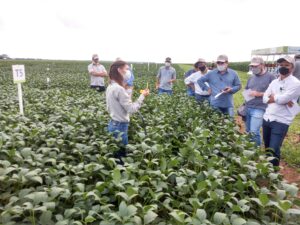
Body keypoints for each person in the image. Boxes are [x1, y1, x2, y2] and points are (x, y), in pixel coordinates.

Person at [106, 60, 149, 162]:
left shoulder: (111, 86)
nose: (128, 72)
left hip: (112, 124)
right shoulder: (119, 89)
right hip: (120, 127)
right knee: (121, 158)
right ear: (119, 70)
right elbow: (131, 109)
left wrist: (128, 90)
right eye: (126, 69)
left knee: (115, 156)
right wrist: (142, 96)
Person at [262, 56, 300, 167]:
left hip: (281, 120)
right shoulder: (274, 82)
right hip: (267, 117)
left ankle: (273, 173)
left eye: (286, 65)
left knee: (273, 149)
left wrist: (275, 97)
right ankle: (269, 169)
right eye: (281, 65)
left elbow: (284, 99)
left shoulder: (296, 83)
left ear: (292, 68)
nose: (283, 67)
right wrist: (280, 99)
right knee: (268, 147)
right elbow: (264, 98)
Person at [244, 57, 276, 147]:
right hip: (248, 106)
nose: (253, 68)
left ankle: (256, 151)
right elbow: (246, 90)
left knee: (254, 131)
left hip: (260, 108)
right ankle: (249, 149)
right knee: (248, 130)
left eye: (255, 66)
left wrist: (260, 94)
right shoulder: (251, 77)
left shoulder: (271, 77)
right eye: (252, 66)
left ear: (262, 65)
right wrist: (246, 95)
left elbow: (275, 94)